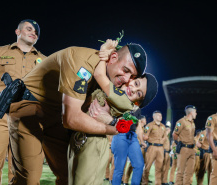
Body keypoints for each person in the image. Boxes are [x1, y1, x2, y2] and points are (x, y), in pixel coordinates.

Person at [5, 37, 148, 184]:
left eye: (132, 76)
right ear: (113, 57)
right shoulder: (82, 62)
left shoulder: (108, 78)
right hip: (30, 108)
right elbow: (72, 119)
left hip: (56, 117)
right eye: (125, 70)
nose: (126, 79)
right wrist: (112, 129)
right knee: (28, 177)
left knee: (68, 175)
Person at [68, 39, 158, 185]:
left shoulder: (124, 100)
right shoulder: (115, 87)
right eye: (135, 82)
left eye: (138, 94)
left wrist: (104, 53)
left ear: (137, 103)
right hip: (80, 136)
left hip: (94, 142)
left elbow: (99, 74)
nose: (133, 88)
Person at [0, 19, 46, 184]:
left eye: (36, 32)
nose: (33, 33)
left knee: (23, 168)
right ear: (18, 32)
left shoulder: (44, 60)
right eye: (29, 29)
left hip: (26, 118)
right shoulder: (0, 52)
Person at [172, 105, 197, 185]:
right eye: (195, 112)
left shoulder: (193, 123)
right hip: (183, 148)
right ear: (191, 112)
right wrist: (178, 143)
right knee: (180, 172)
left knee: (189, 172)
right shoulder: (181, 121)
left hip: (191, 149)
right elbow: (174, 134)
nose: (196, 114)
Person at [142, 110, 166, 185]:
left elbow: (165, 136)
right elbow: (145, 136)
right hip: (152, 147)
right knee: (147, 166)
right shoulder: (150, 125)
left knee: (159, 167)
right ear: (154, 117)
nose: (160, 117)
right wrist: (147, 138)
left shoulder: (163, 126)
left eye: (161, 115)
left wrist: (162, 140)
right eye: (158, 115)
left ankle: (158, 183)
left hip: (160, 148)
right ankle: (144, 182)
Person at [123, 115, 147, 185]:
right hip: (135, 147)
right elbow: (135, 135)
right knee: (132, 165)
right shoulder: (136, 127)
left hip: (141, 148)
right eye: (145, 119)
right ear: (142, 120)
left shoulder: (144, 128)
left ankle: (139, 181)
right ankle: (126, 181)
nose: (146, 121)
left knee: (140, 165)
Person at [205, 113, 217, 185]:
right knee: (215, 174)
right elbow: (209, 135)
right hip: (216, 146)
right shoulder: (212, 118)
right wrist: (214, 150)